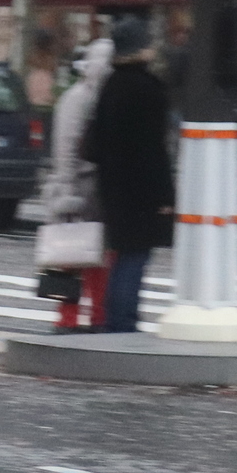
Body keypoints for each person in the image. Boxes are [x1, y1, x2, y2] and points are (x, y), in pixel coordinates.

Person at [81, 18, 172, 335]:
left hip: (113, 186)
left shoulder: (110, 86)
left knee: (122, 255)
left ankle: (115, 319)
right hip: (141, 189)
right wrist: (164, 196)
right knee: (135, 258)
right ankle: (123, 322)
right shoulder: (148, 88)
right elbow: (154, 150)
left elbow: (91, 146)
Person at [41, 37, 114, 331]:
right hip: (79, 191)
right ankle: (69, 319)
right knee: (72, 260)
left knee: (94, 260)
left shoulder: (93, 97)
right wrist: (68, 194)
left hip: (93, 192)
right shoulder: (78, 99)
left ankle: (94, 316)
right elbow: (66, 150)